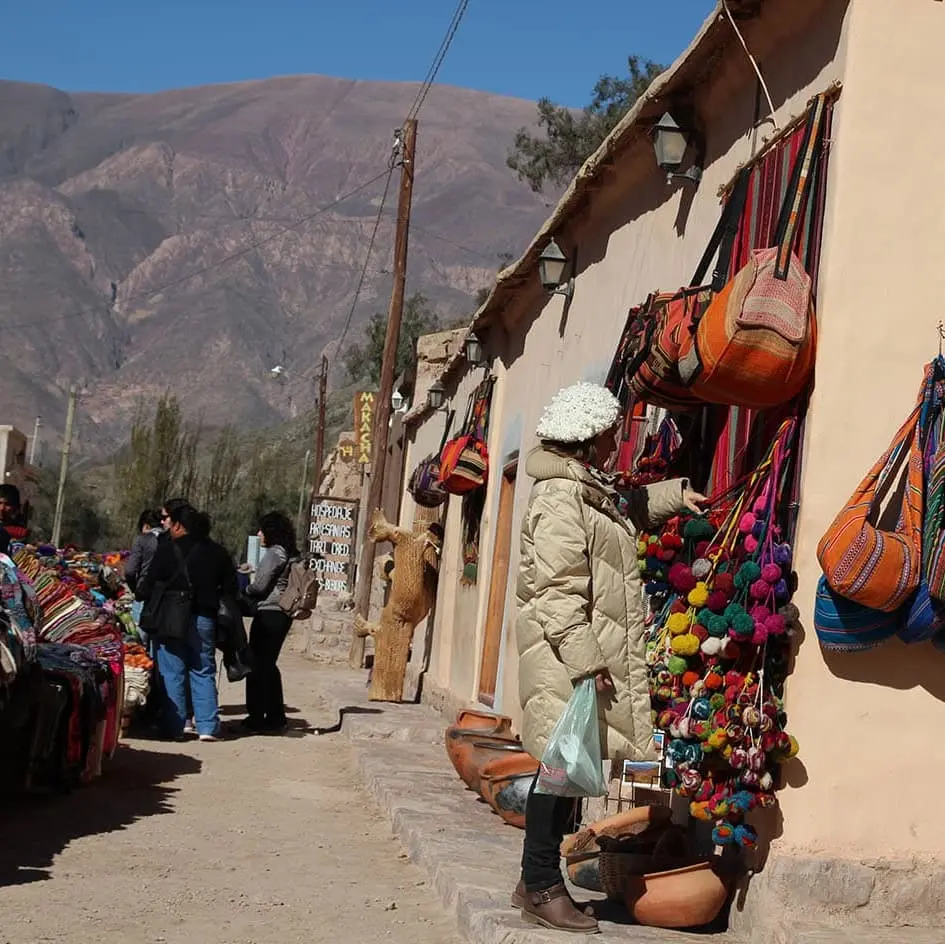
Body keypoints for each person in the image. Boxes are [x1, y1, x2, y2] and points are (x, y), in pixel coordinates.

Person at [513, 383, 705, 933]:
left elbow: (623, 512)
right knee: (558, 775)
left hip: (578, 657)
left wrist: (676, 495)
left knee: (567, 774)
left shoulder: (586, 489)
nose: (614, 443)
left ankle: (533, 881)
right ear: (589, 439)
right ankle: (543, 885)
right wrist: (587, 661)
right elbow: (556, 589)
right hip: (565, 660)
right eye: (609, 436)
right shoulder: (559, 497)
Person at [138, 504, 237, 742]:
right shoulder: (218, 552)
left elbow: (147, 584)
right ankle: (207, 727)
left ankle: (176, 726)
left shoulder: (166, 550)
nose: (167, 527)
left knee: (173, 671)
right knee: (203, 669)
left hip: (170, 618)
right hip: (204, 618)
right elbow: (232, 588)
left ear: (179, 525)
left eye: (169, 522)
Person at [242, 511, 298, 733]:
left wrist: (243, 587)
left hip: (269, 613)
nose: (259, 534)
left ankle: (256, 717)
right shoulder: (289, 553)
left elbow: (259, 587)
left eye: (262, 530)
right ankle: (275, 716)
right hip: (281, 614)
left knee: (256, 665)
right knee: (268, 666)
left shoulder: (275, 554)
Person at [124, 509, 162, 645]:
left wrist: (136, 590)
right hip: (165, 599)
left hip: (144, 594)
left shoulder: (142, 540)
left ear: (146, 525)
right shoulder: (172, 541)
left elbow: (129, 571)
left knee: (138, 643)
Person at [0, 485, 26, 555]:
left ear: (15, 507)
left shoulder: (21, 532)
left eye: (7, 504)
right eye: (0, 503)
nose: (2, 508)